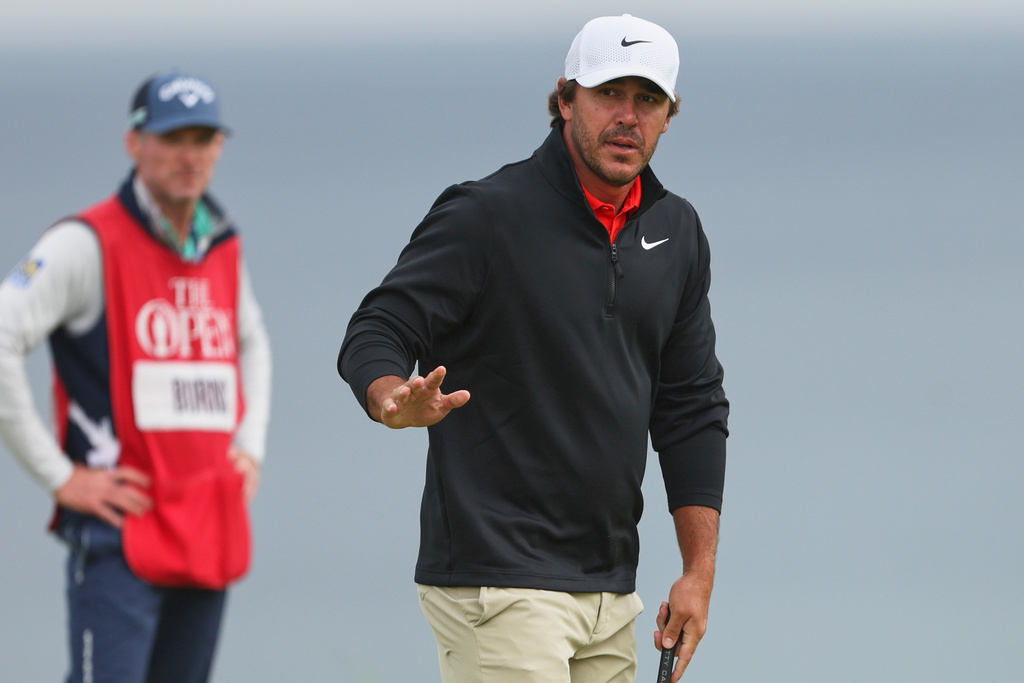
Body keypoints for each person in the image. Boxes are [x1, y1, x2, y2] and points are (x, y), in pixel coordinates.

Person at [338, 14, 728, 683]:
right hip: (498, 580)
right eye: (610, 94)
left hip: (609, 589)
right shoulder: (486, 214)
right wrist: (389, 399)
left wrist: (698, 571)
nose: (628, 117)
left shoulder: (676, 232)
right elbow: (379, 325)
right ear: (565, 98)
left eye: (648, 100)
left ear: (670, 114)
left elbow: (690, 406)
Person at [0, 71, 272, 683]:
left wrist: (248, 449)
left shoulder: (221, 242)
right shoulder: (84, 243)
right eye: (173, 137)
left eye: (204, 139)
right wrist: (61, 477)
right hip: (119, 534)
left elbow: (252, 340)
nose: (189, 155)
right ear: (135, 142)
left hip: (206, 526)